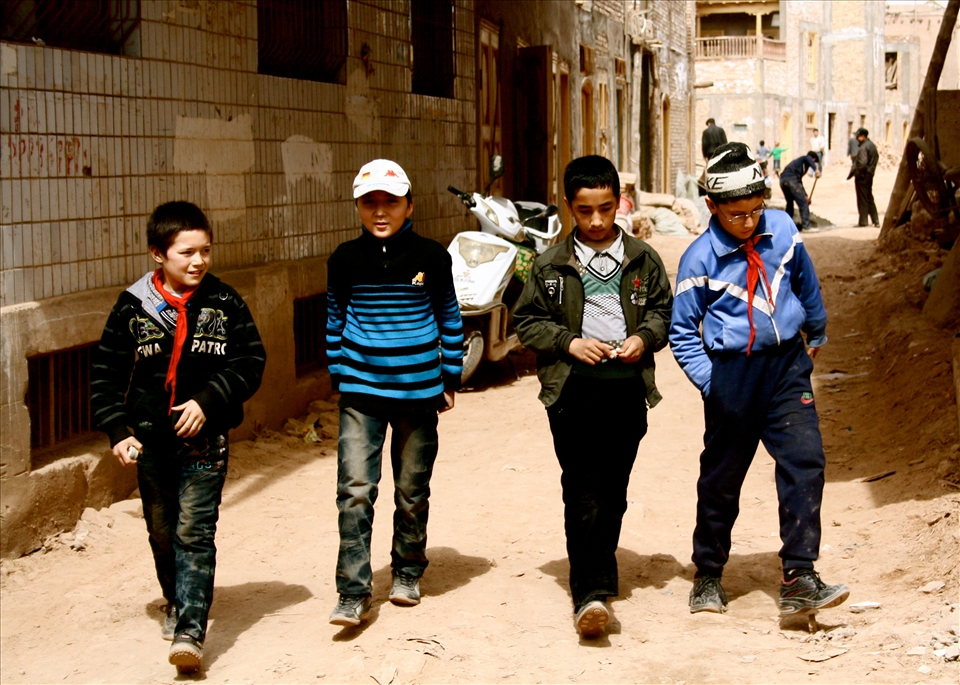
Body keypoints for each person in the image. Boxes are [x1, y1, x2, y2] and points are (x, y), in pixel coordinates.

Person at [669, 142, 849, 619]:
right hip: (733, 375)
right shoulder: (699, 260)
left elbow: (804, 281)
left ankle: (799, 575)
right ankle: (707, 573)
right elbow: (683, 332)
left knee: (805, 460)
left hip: (787, 365)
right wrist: (713, 383)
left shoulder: (784, 229)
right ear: (712, 207)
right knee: (722, 479)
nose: (748, 223)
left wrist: (816, 326)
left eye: (755, 211)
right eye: (736, 215)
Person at [91, 201, 267, 674]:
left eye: (205, 250)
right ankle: (176, 598)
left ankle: (191, 630)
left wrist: (208, 401)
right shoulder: (133, 306)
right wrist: (118, 432)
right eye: (186, 252)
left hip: (204, 443)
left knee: (195, 531)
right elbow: (106, 372)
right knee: (162, 531)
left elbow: (250, 362)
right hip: (151, 444)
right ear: (158, 254)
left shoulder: (225, 303)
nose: (198, 261)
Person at [513, 155, 673, 638]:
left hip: (626, 392)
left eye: (606, 208)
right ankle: (591, 594)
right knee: (582, 486)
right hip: (572, 392)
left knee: (614, 491)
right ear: (569, 208)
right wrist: (569, 342)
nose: (598, 221)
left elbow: (663, 311)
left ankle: (598, 567)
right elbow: (526, 321)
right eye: (585, 212)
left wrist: (643, 337)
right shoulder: (549, 265)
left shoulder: (643, 258)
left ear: (618, 202)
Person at [326, 159, 464, 627]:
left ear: (409, 205)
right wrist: (339, 375)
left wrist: (449, 378)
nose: (380, 212)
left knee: (411, 490)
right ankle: (353, 591)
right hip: (361, 392)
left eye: (391, 202)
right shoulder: (344, 259)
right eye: (370, 203)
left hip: (419, 393)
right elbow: (334, 320)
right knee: (355, 492)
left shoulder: (432, 256)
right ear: (358, 207)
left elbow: (449, 317)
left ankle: (407, 570)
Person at [779, 150, 820, 231]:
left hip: (783, 180)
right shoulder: (805, 158)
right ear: (814, 159)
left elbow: (799, 181)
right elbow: (808, 158)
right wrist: (816, 170)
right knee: (803, 203)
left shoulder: (799, 165)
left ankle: (786, 226)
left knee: (790, 204)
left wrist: (805, 194)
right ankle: (806, 226)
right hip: (790, 180)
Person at [848, 127, 879, 227]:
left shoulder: (863, 148)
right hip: (870, 174)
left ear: (863, 136)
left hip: (863, 176)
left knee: (862, 199)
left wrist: (858, 174)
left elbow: (862, 163)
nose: (856, 138)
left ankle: (863, 221)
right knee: (869, 197)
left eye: (858, 136)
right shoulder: (871, 145)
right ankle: (875, 220)